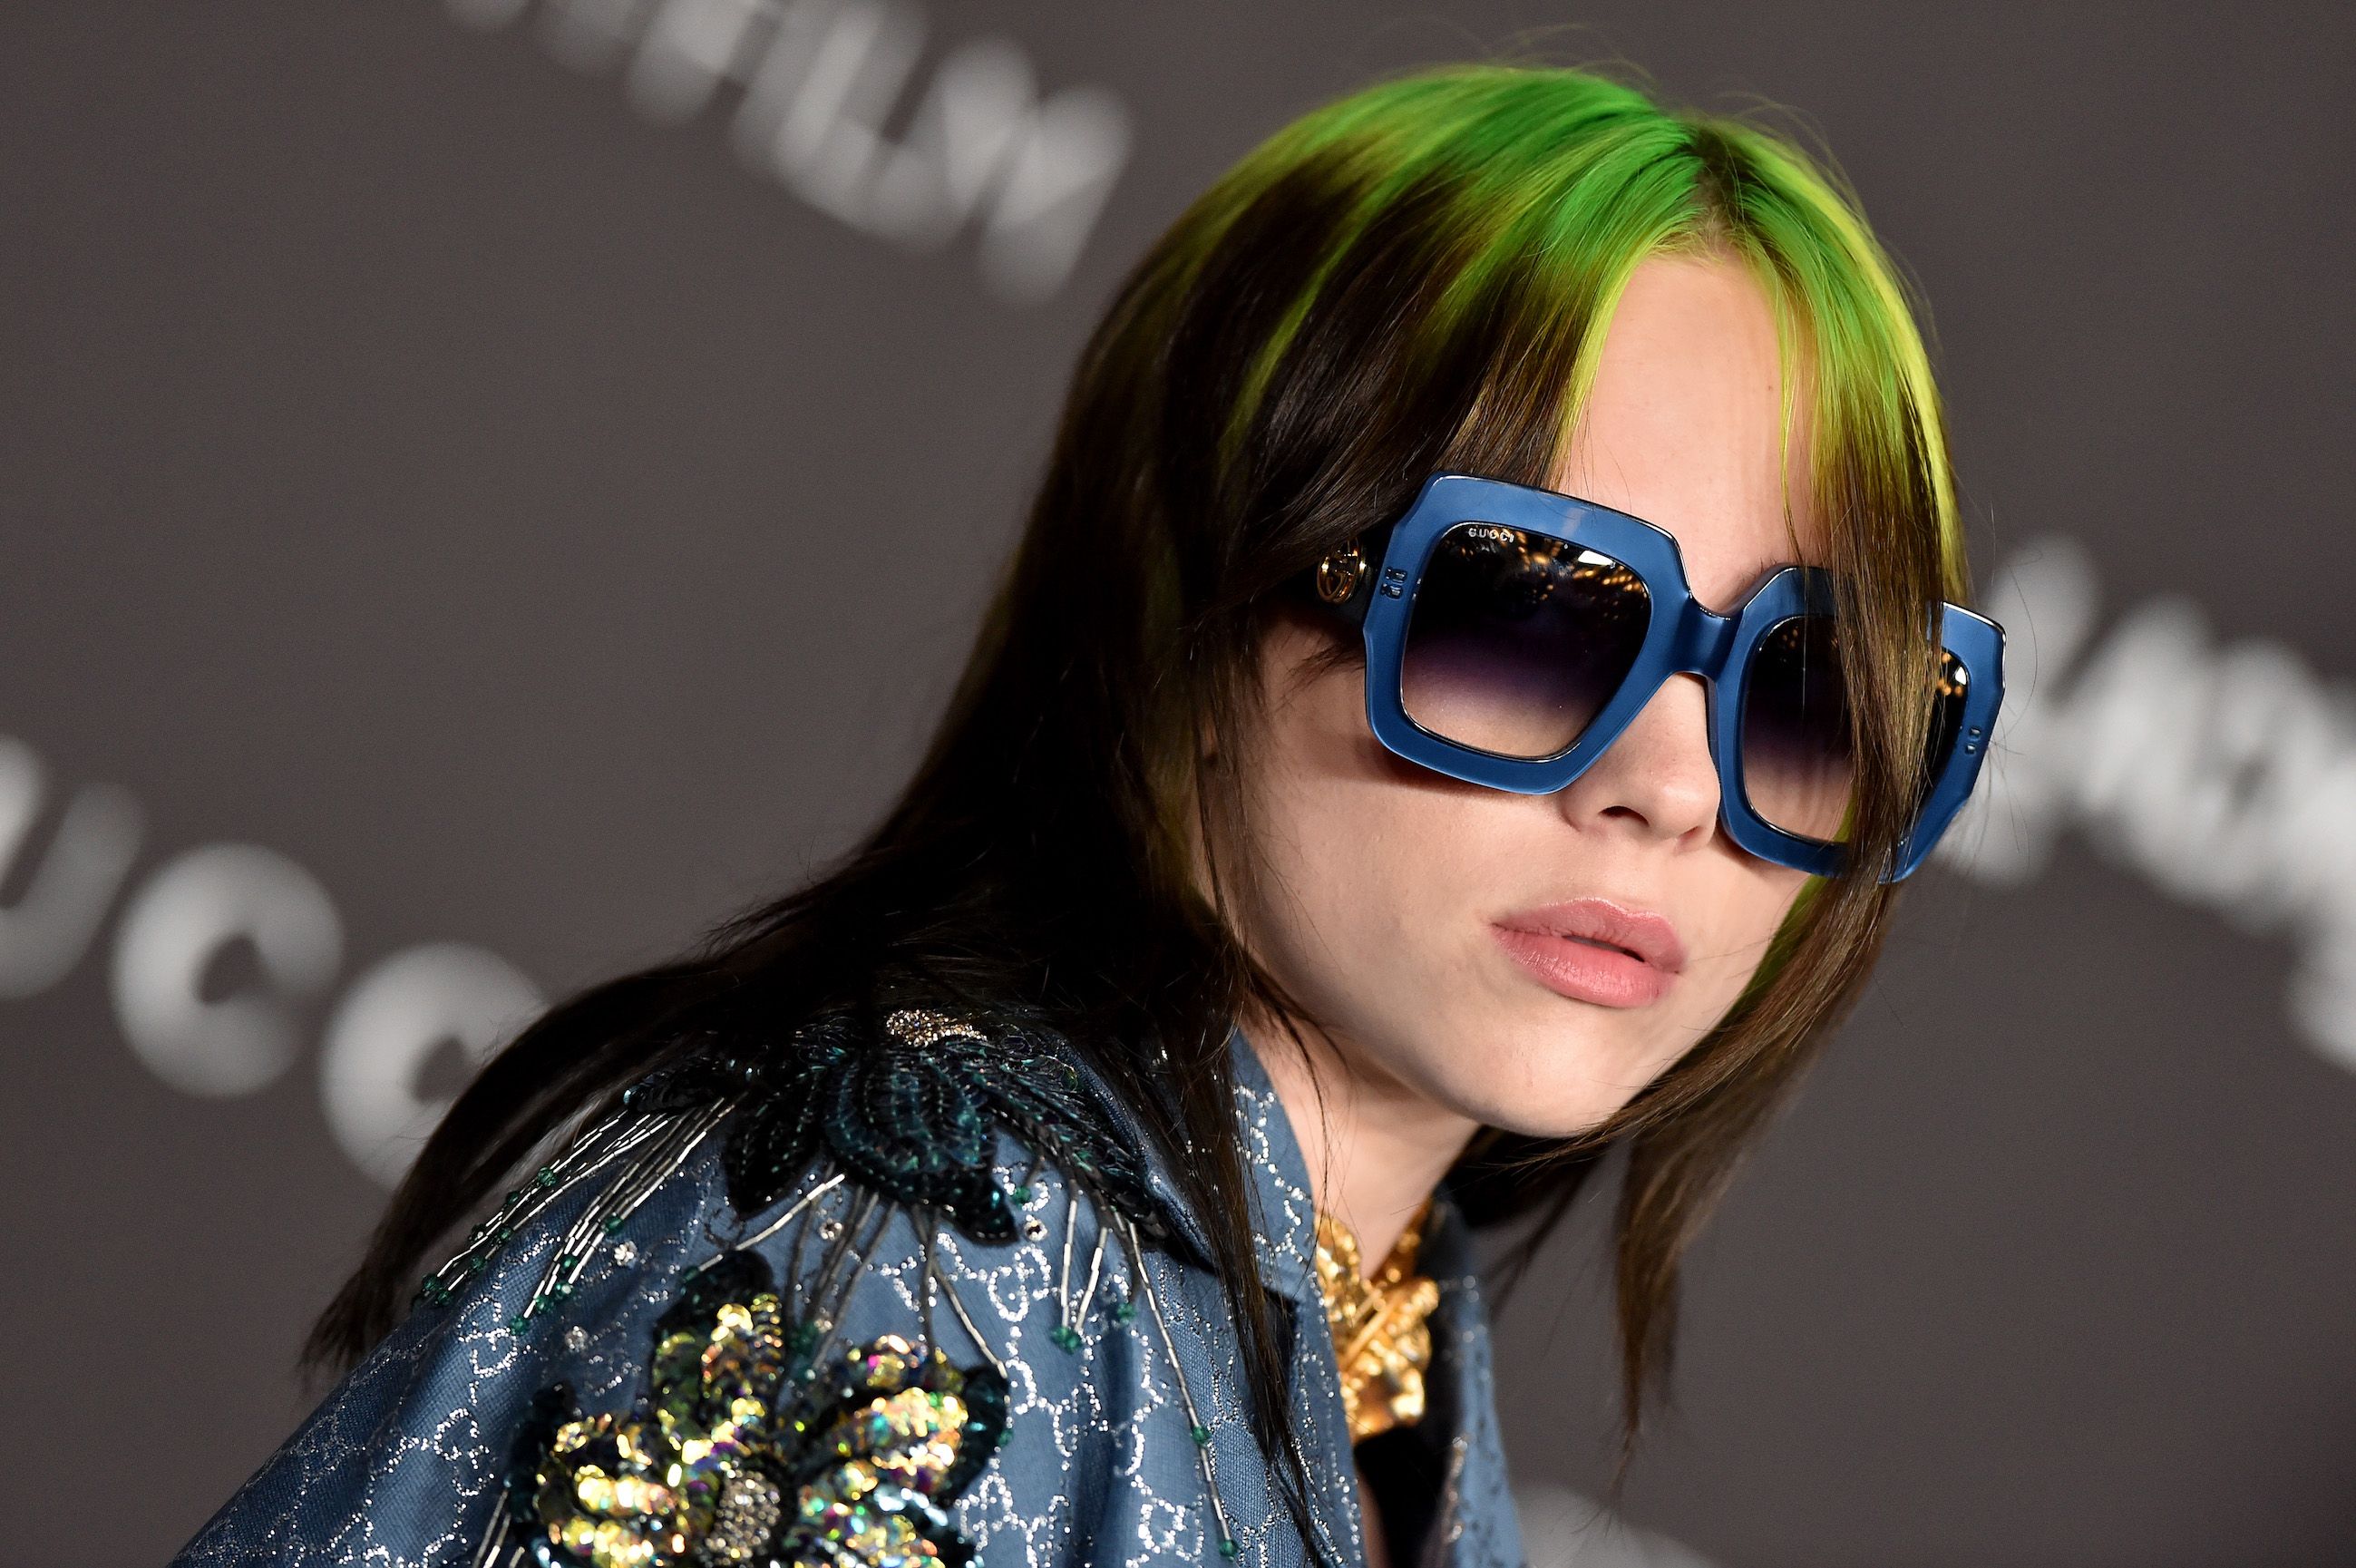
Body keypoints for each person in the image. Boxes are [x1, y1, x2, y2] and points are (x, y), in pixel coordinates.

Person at [172, 61, 2001, 1568]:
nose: (1672, 787)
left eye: (1813, 689)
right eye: (1527, 613)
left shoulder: (1375, 1336)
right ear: (1190, 611)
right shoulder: (908, 1242)